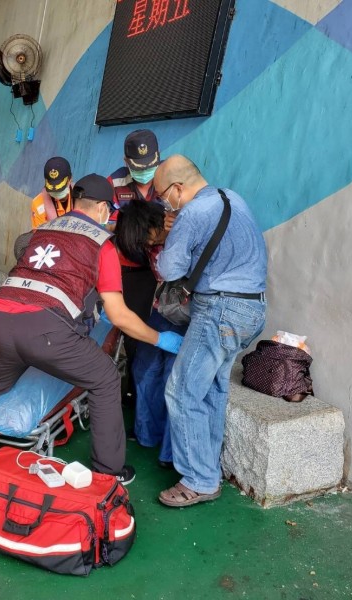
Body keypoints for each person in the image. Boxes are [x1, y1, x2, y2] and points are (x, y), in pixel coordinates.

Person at [0, 174, 184, 486]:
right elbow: (118, 315)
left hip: (0, 318)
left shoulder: (42, 230)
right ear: (105, 208)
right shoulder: (100, 243)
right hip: (46, 330)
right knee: (105, 377)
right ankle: (109, 471)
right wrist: (161, 339)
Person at [154, 155, 267, 507]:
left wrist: (170, 233)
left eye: (162, 196)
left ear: (176, 189)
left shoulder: (192, 213)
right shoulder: (233, 198)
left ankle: (199, 480)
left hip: (220, 309)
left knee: (181, 391)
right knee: (213, 390)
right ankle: (209, 470)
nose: (164, 203)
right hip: (252, 308)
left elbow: (170, 268)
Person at [113, 200, 185, 467]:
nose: (144, 243)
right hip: (162, 310)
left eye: (146, 236)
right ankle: (147, 434)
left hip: (188, 314)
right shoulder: (151, 246)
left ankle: (169, 452)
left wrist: (178, 228)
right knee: (144, 369)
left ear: (156, 225)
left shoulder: (182, 230)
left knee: (172, 378)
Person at [106, 130, 170, 407]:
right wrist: (127, 226)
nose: (144, 173)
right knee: (129, 331)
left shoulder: (169, 179)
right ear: (126, 161)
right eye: (137, 168)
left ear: (157, 157)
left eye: (149, 166)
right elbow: (103, 224)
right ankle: (130, 395)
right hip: (126, 268)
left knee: (149, 332)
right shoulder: (114, 183)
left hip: (164, 269)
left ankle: (144, 394)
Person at [30, 156, 73, 229]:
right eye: (52, 189)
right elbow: (39, 236)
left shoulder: (81, 198)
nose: (56, 192)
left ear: (70, 180)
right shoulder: (38, 204)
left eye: (60, 189)